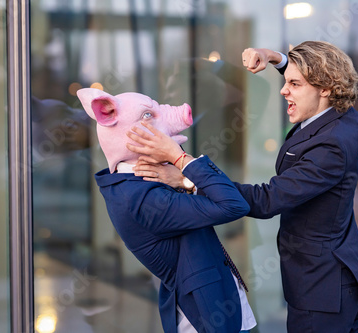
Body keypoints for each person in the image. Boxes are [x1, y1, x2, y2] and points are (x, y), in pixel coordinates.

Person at [131, 41, 358, 333]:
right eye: (287, 81)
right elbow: (316, 79)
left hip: (323, 291)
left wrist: (183, 166)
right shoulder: (344, 118)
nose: (284, 91)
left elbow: (266, 200)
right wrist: (276, 58)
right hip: (336, 281)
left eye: (294, 84)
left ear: (325, 88)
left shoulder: (331, 147)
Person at [78, 89, 256, 333]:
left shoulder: (140, 182)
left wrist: (184, 180)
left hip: (220, 301)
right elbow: (233, 205)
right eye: (148, 115)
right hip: (206, 316)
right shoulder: (142, 198)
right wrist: (180, 159)